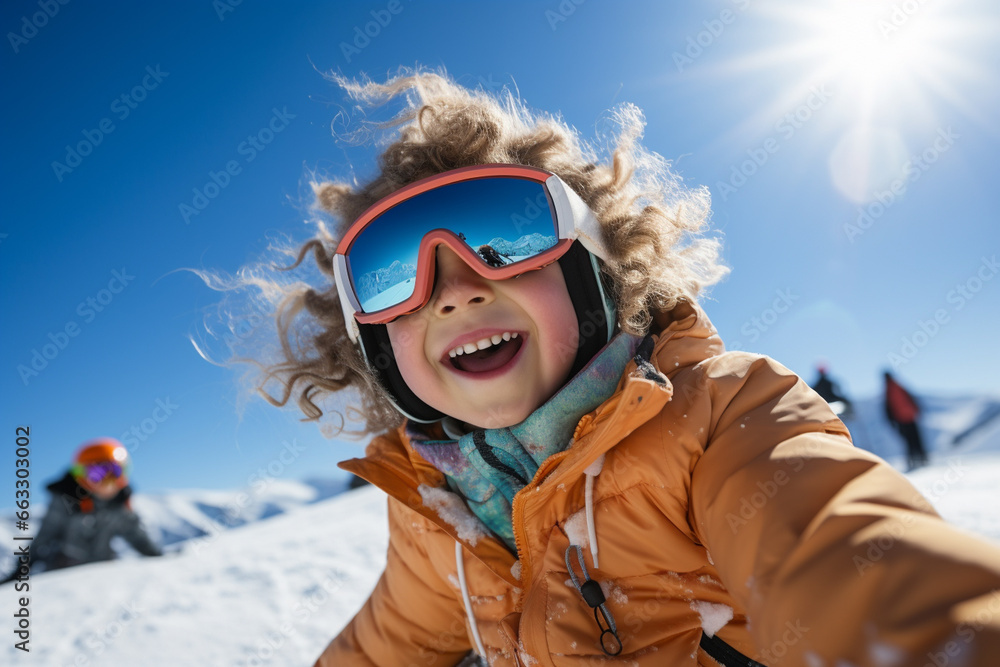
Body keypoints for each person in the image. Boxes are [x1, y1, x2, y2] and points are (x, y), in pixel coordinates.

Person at [236, 71, 1000, 665]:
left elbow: (851, 559)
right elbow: (383, 643)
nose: (455, 288)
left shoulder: (720, 417)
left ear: (595, 266)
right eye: (393, 274)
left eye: (504, 239)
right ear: (372, 346)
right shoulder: (437, 507)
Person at [3, 438, 162, 582]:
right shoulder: (66, 500)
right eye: (97, 473)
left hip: (103, 572)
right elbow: (44, 538)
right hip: (62, 574)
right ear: (81, 475)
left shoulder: (119, 505)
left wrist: (159, 557)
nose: (106, 481)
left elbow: (137, 536)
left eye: (114, 471)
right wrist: (19, 571)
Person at [884, 371, 930, 471]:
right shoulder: (898, 386)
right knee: (916, 440)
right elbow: (911, 398)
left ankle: (914, 461)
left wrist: (891, 421)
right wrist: (917, 410)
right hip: (910, 416)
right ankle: (922, 459)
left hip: (901, 420)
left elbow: (888, 408)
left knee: (909, 441)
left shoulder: (888, 390)